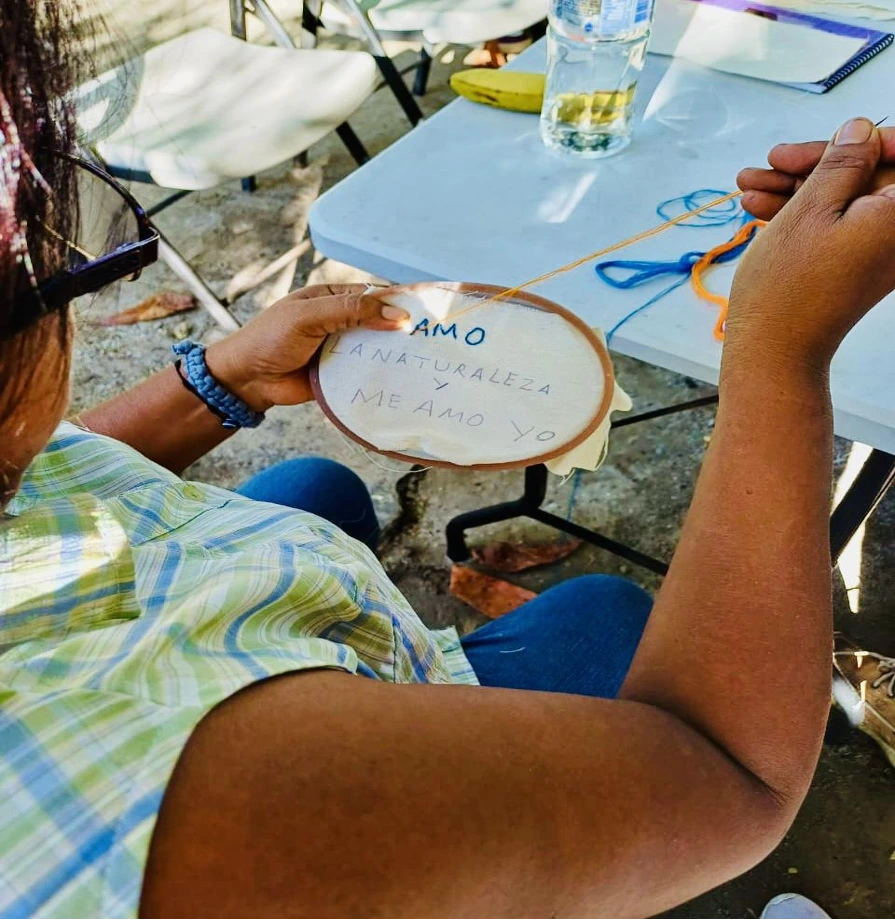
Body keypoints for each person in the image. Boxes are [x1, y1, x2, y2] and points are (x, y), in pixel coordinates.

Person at [3, 4, 895, 919]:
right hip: (280, 716)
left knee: (318, 488)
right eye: (62, 256)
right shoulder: (154, 809)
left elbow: (38, 478)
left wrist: (214, 384)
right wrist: (780, 353)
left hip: (218, 605)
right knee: (601, 619)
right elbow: (728, 768)